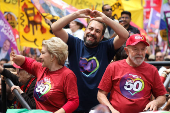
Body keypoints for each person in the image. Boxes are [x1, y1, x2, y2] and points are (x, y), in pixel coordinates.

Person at [51, 9, 129, 112]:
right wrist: (76, 14)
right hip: (75, 105)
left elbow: (124, 35)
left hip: (100, 107)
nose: (92, 33)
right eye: (90, 29)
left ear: (101, 37)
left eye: (97, 31)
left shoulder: (106, 47)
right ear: (85, 30)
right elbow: (55, 28)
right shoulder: (74, 43)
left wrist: (105, 19)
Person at [97, 34, 166, 113]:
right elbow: (101, 94)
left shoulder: (152, 70)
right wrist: (111, 110)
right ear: (126, 51)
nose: (140, 53)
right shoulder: (113, 67)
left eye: (143, 49)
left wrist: (155, 102)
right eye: (135, 49)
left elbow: (162, 97)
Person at [10, 37, 79, 113]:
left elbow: (74, 101)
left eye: (43, 53)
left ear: (53, 56)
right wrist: (15, 58)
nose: (40, 56)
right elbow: (27, 62)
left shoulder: (68, 75)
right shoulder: (41, 68)